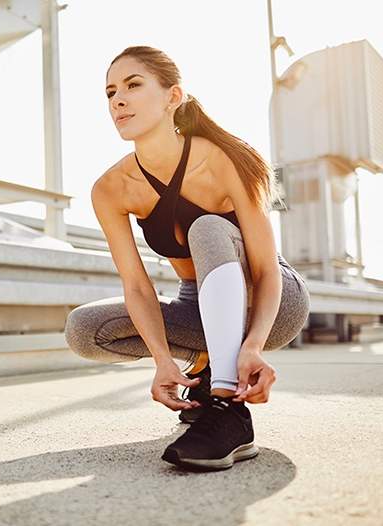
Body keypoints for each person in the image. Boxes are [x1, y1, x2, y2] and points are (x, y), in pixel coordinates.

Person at [63, 46, 311, 471]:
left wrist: (251, 346)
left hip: (271, 302)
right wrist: (161, 360)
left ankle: (228, 406)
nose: (117, 100)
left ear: (172, 97)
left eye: (133, 85)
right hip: (196, 305)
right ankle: (205, 365)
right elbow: (138, 286)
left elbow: (267, 268)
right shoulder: (110, 188)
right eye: (109, 92)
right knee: (84, 330)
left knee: (208, 227)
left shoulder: (224, 159)